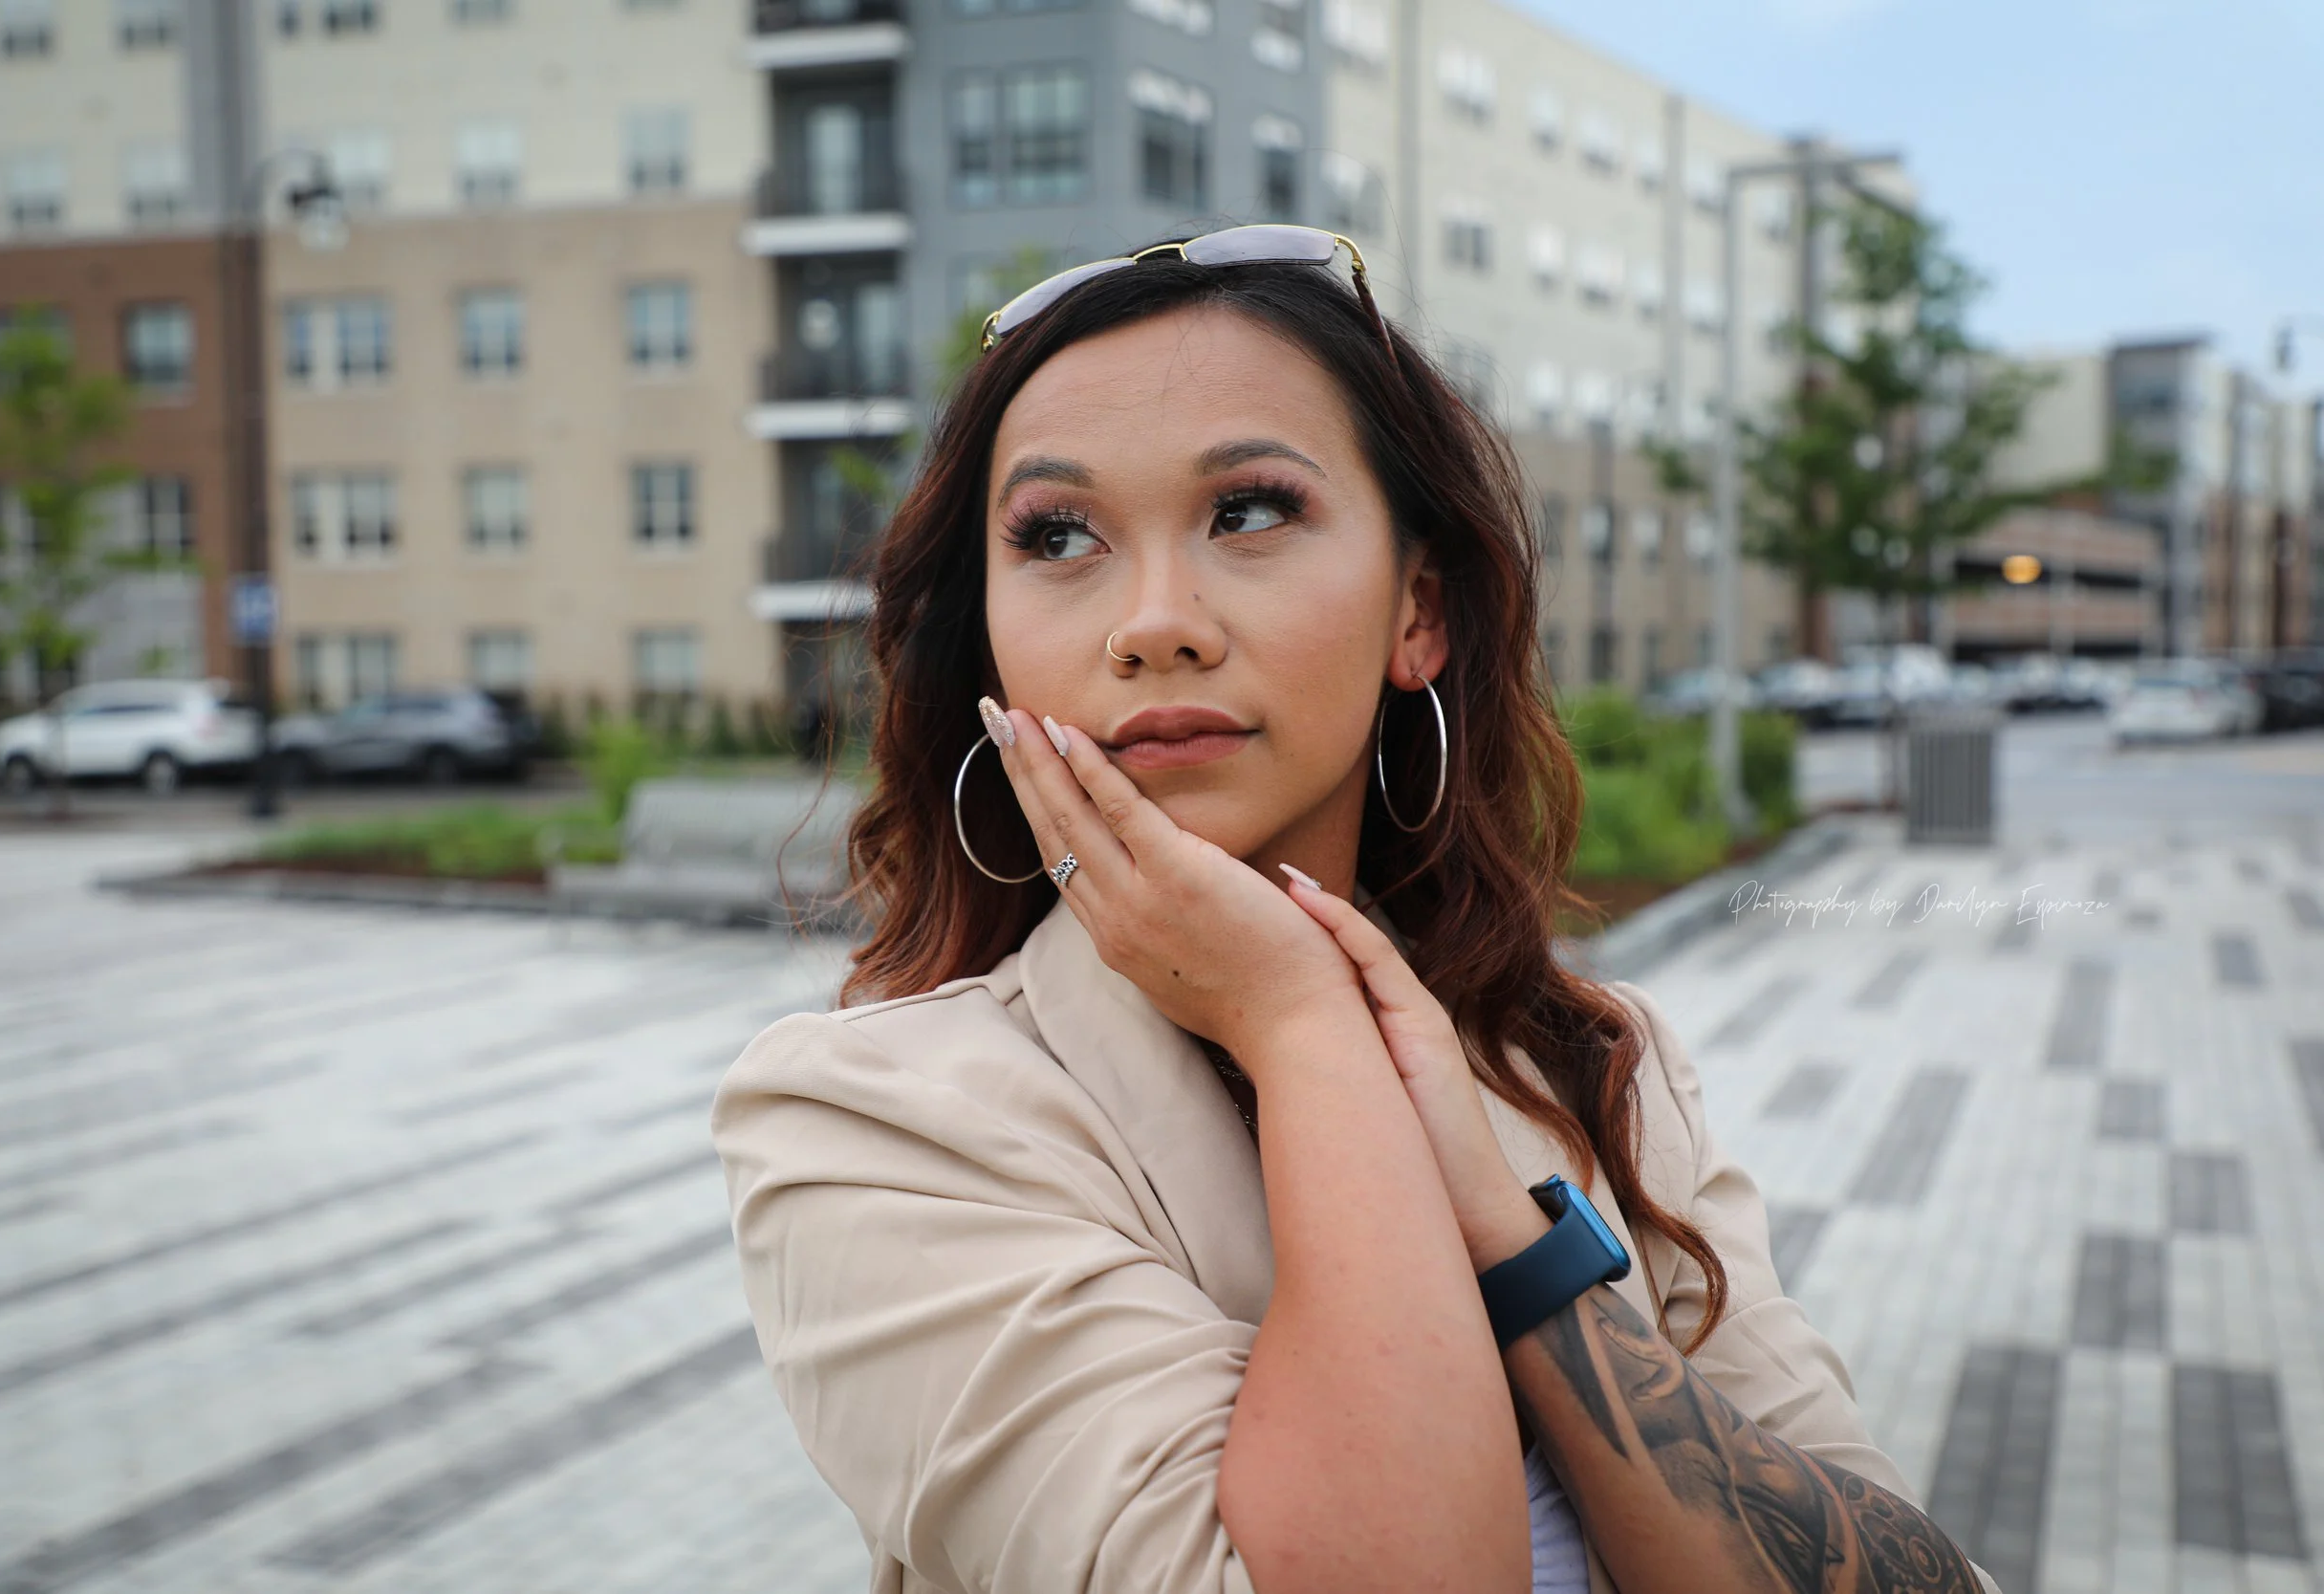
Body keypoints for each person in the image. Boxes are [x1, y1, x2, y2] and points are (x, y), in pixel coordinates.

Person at [711, 227, 1998, 1594]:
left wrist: (1511, 1237)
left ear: (1417, 613)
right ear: (990, 633)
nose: (1155, 622)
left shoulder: (1597, 1062)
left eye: (1250, 510)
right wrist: (1303, 1026)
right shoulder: (876, 1122)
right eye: (1059, 534)